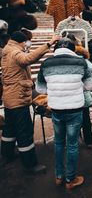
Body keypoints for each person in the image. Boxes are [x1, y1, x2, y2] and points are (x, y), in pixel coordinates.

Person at [35, 38, 92, 190]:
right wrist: (77, 86)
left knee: (59, 143)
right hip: (75, 109)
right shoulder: (80, 62)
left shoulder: (46, 63)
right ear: (72, 48)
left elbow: (41, 89)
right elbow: (91, 84)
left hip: (56, 109)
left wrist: (55, 88)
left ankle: (59, 176)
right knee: (72, 144)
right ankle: (70, 179)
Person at [1, 31, 59, 173]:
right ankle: (30, 164)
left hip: (10, 98)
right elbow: (28, 59)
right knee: (24, 131)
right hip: (18, 99)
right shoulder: (15, 53)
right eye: (27, 41)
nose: (28, 44)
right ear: (22, 41)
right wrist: (49, 44)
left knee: (9, 129)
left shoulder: (7, 50)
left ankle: (7, 155)